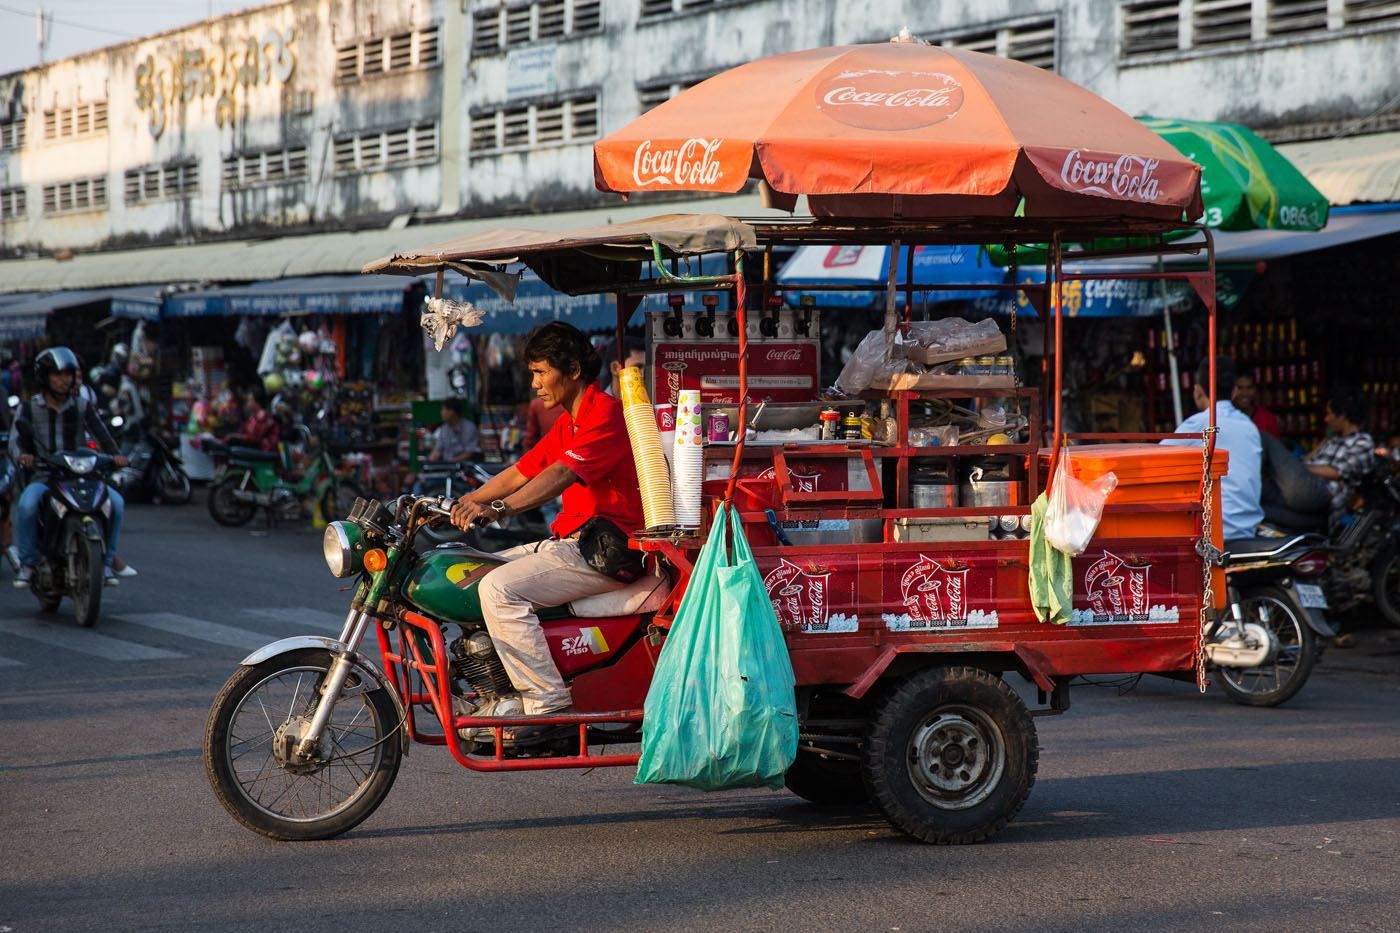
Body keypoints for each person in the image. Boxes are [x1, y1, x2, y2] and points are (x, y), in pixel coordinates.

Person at [449, 322, 643, 747]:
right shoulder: (568, 422)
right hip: (572, 541)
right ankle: (495, 693)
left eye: (540, 372)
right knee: (469, 574)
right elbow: (522, 470)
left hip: (607, 549)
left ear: (572, 369)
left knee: (500, 589)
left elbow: (559, 474)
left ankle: (548, 704)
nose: (535, 384)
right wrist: (461, 503)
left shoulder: (605, 415)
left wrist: (496, 510)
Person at [9, 347, 129, 588]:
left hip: (82, 474)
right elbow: (15, 442)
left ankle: (106, 563)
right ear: (44, 376)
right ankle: (29, 563)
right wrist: (23, 457)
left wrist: (116, 456)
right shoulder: (29, 407)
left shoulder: (82, 405)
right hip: (46, 476)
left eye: (68, 374)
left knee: (116, 503)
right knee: (27, 505)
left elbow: (104, 437)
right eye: (57, 374)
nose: (64, 380)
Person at [1162, 357, 1263, 543]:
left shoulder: (1201, 423)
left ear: (1198, 391)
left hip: (1215, 531)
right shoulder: (1249, 426)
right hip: (1246, 529)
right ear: (1234, 391)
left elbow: (1156, 462)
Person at [1305, 388, 1376, 518]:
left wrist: (1302, 469)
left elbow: (1338, 472)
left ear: (1342, 415)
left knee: (1268, 442)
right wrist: (1324, 440)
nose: (1326, 419)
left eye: (1329, 414)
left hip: (1325, 496)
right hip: (1307, 486)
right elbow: (1308, 459)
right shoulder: (1333, 439)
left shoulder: (1363, 442)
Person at [427, 397, 479, 462]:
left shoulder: (469, 427)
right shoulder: (444, 428)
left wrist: (453, 461)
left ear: (452, 411)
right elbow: (438, 450)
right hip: (447, 466)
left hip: (465, 467)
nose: (441, 413)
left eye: (443, 409)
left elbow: (470, 452)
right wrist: (429, 461)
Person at [1231, 371, 1279, 439]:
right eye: (1240, 388)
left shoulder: (1268, 419)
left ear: (1255, 389)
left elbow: (1274, 447)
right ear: (1232, 390)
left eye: (1249, 388)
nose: (1244, 393)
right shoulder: (1226, 418)